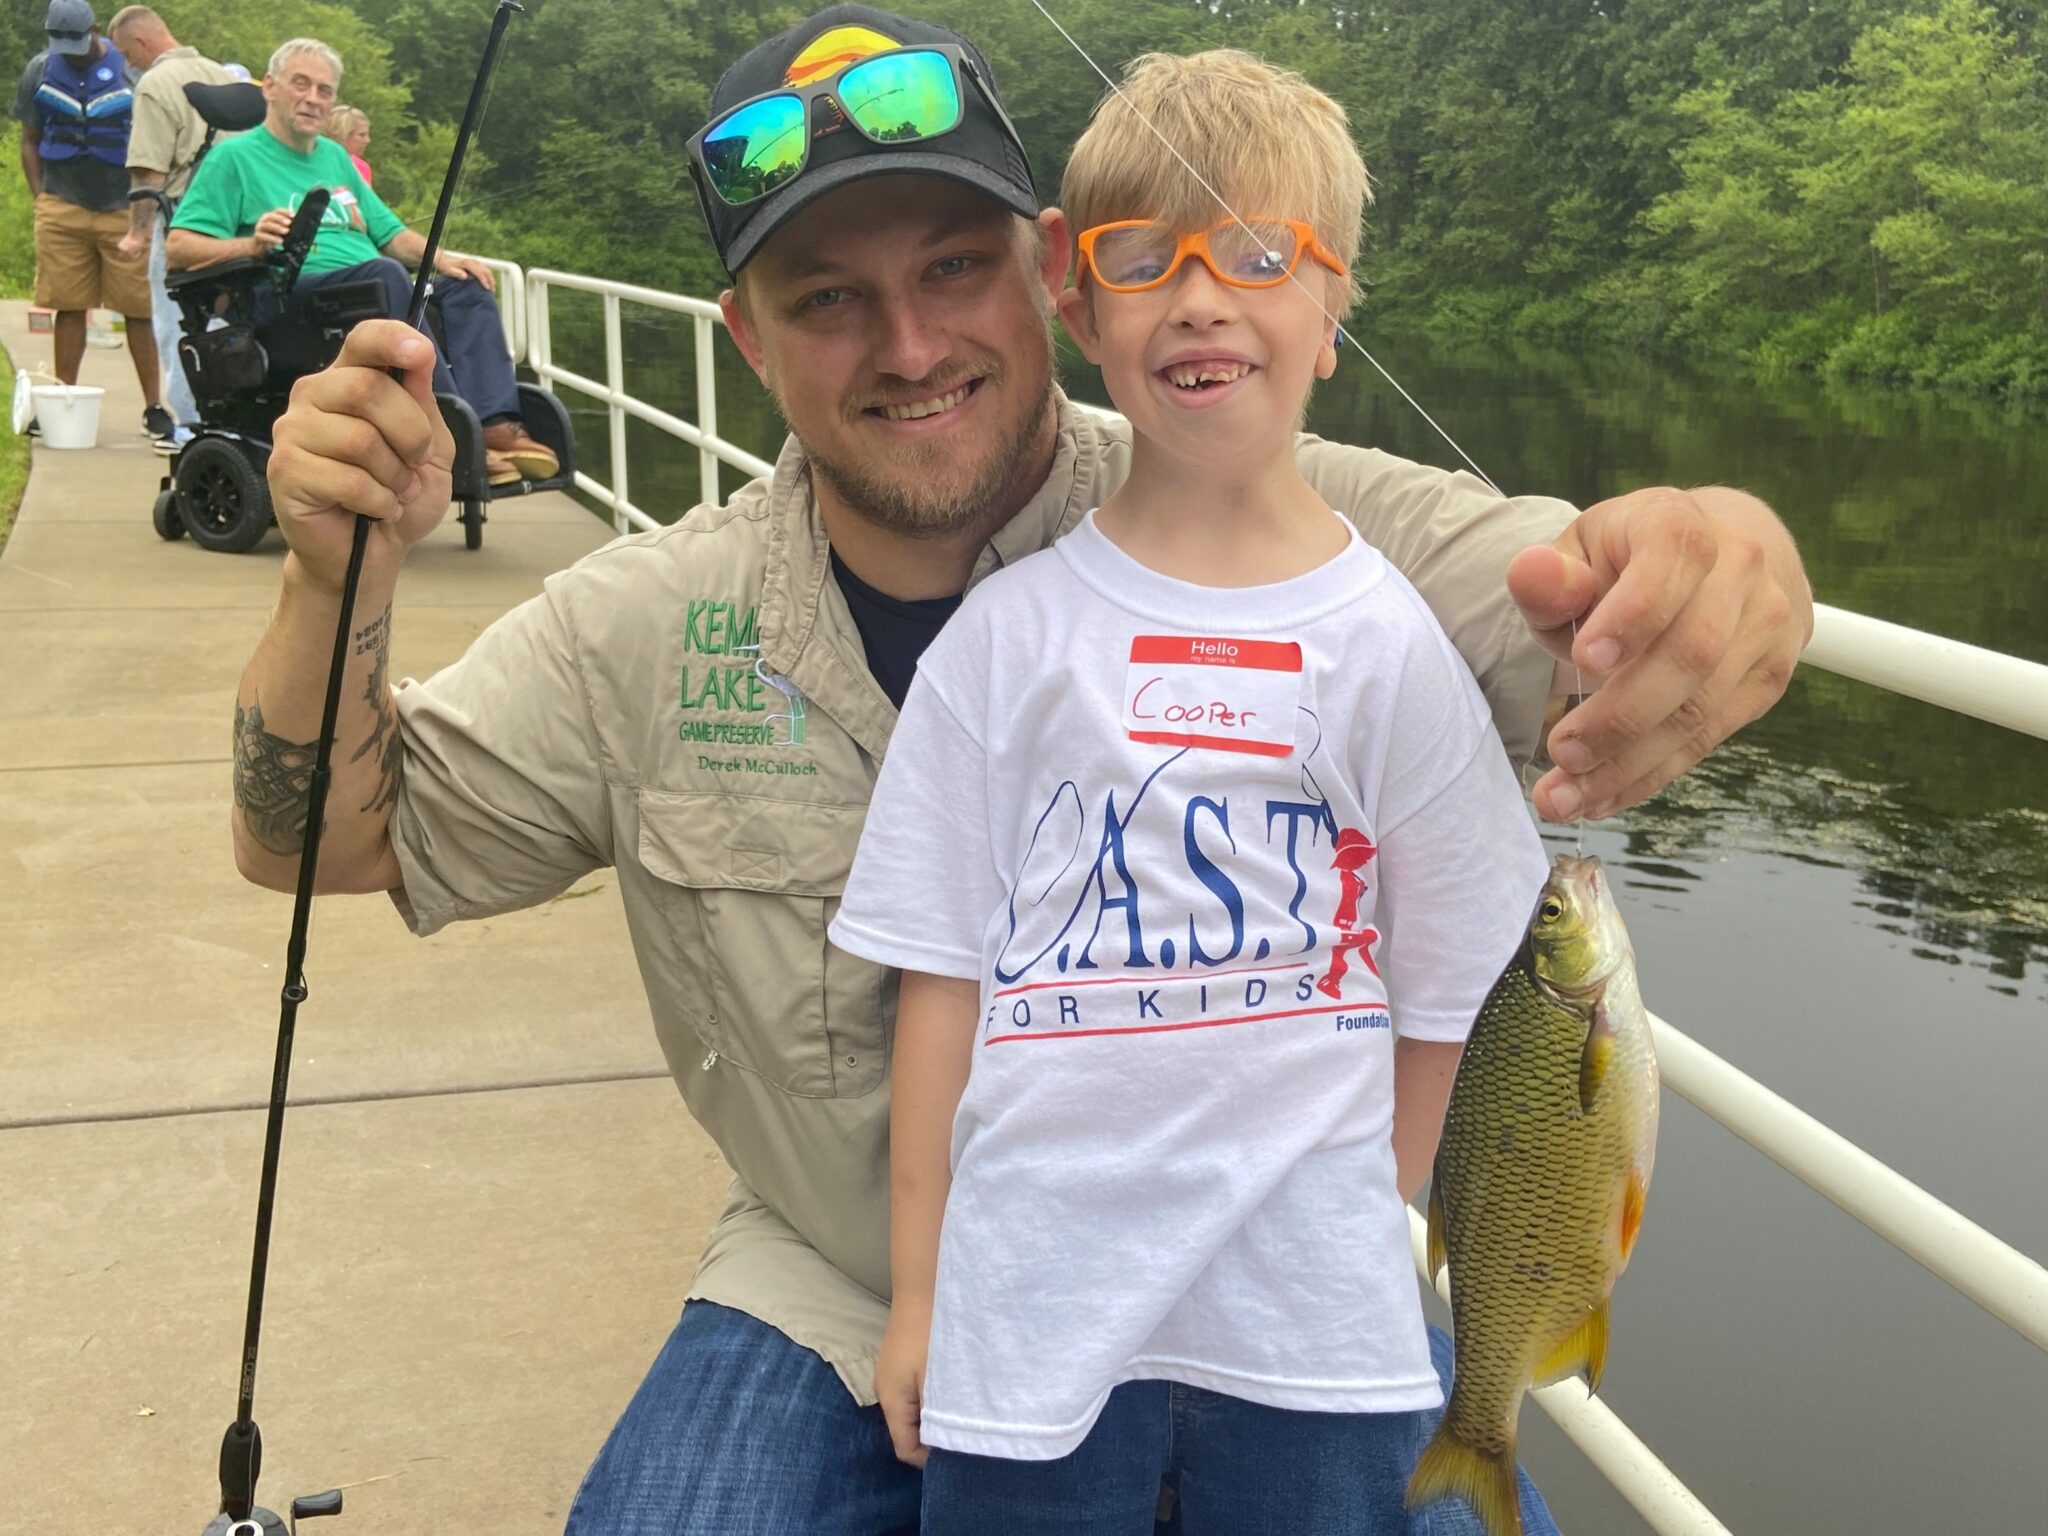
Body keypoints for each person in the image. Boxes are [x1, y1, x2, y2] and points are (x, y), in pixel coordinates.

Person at [237, 6, 1811, 1531]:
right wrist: (332, 579)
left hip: (1258, 1289)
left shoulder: (1256, 492)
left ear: (1046, 272)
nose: (911, 344)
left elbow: (1563, 583)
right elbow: (320, 843)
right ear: (747, 338)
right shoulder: (638, 625)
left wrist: (1719, 552)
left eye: (952, 268)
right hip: (842, 1282)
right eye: (830, 298)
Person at [830, 48, 1555, 1532]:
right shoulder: (1007, 639)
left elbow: (1452, 995)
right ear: (1075, 300)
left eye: (1261, 254)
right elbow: (941, 988)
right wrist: (923, 1296)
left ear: (1332, 309)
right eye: (1146, 258)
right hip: (1030, 1320)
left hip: (1319, 1339)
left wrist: (1372, 1217)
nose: (1204, 297)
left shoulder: (1392, 646)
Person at [166, 37, 555, 486]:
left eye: (325, 90)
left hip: (366, 285)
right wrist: (251, 245)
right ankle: (447, 437)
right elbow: (179, 248)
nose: (313, 98)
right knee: (386, 276)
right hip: (291, 300)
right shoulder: (233, 158)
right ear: (270, 87)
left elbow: (389, 234)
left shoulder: (335, 157)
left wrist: (447, 259)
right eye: (301, 84)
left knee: (464, 284)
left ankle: (492, 424)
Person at [12, 0, 166, 444]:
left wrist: (146, 210)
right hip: (63, 204)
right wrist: (42, 197)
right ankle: (63, 400)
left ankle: (154, 408)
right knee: (68, 306)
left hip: (124, 208)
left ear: (95, 30)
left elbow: (154, 141)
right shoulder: (39, 70)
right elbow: (30, 138)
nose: (71, 51)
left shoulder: (131, 74)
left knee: (138, 310)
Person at [107, 4, 236, 451]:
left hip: (184, 220)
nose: (128, 63)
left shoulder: (154, 84)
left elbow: (148, 175)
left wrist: (138, 234)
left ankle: (191, 426)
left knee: (177, 324)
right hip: (238, 226)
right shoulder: (227, 76)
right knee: (225, 321)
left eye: (127, 53)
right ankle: (232, 419)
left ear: (142, 42)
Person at [326, 103, 371, 184]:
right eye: (362, 135)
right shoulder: (319, 163)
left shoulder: (362, 168)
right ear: (343, 134)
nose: (367, 140)